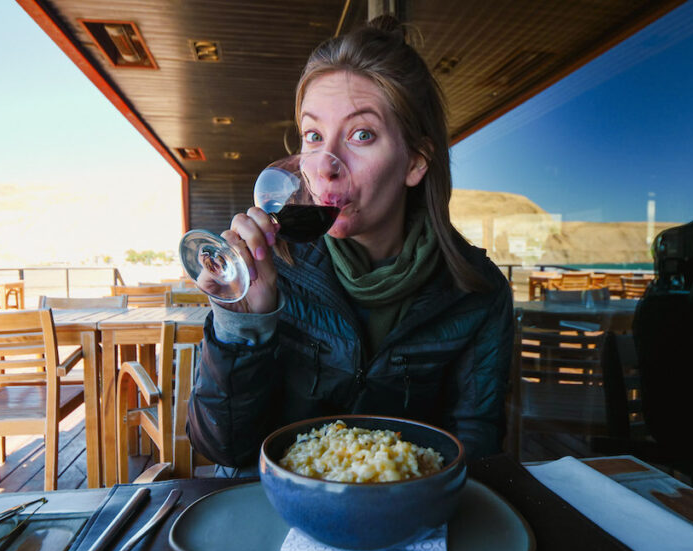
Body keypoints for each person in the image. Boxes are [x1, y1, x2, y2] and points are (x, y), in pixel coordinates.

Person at [187, 16, 514, 472]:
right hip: (276, 515)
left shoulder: (478, 293)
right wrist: (243, 326)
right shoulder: (275, 271)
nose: (325, 166)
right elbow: (223, 449)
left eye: (361, 135)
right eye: (314, 136)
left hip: (409, 520)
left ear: (415, 162)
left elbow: (475, 453)